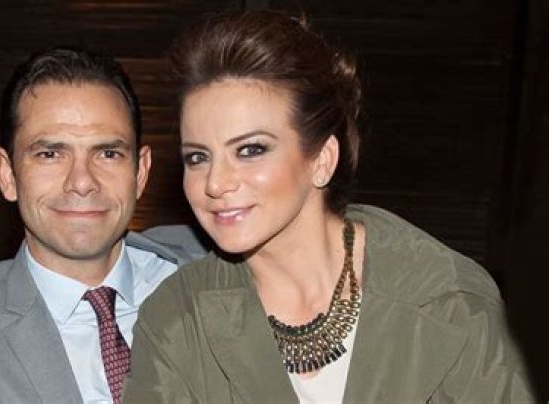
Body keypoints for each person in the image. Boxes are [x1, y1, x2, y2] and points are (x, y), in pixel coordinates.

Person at [123, 11, 537, 403]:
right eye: (198, 157)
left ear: (322, 160)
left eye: (250, 150)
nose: (215, 183)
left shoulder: (447, 300)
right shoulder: (177, 319)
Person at [0, 47, 205, 403]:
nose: (82, 181)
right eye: (50, 154)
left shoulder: (222, 268)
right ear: (7, 174)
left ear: (140, 172)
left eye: (108, 153)